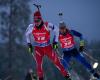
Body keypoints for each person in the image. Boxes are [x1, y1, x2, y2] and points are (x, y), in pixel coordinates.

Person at [25, 11, 71, 80]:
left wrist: (55, 41)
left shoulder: (47, 25)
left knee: (57, 62)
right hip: (38, 49)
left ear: (41, 19)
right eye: (35, 21)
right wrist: (29, 45)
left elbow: (57, 30)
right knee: (39, 65)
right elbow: (26, 34)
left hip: (47, 48)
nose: (36, 23)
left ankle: (67, 76)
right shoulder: (31, 27)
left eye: (38, 21)